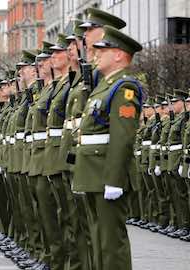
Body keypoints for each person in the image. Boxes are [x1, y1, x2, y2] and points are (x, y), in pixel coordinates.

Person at [72, 25, 143, 270]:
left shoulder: (124, 88)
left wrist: (114, 179)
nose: (97, 53)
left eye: (104, 49)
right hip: (93, 173)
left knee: (112, 243)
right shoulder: (103, 86)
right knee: (99, 240)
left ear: (119, 55)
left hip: (106, 174)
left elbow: (122, 138)